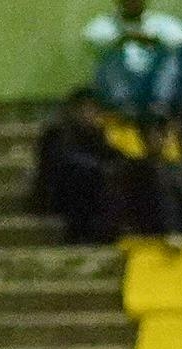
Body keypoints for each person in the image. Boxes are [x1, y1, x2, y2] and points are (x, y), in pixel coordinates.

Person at [37, 88, 131, 243]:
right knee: (86, 176)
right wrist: (98, 167)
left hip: (90, 187)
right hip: (61, 192)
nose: (92, 114)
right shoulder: (57, 134)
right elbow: (62, 162)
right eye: (88, 109)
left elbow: (111, 155)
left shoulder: (95, 134)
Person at [90, 0, 182, 120]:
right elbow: (92, 40)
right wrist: (124, 38)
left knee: (171, 55)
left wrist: (153, 40)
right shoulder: (106, 23)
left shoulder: (158, 22)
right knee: (109, 55)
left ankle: (160, 104)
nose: (133, 3)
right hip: (124, 83)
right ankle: (124, 105)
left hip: (152, 82)